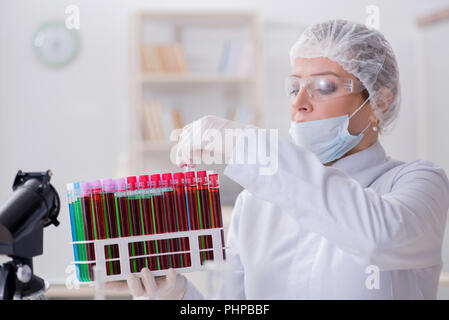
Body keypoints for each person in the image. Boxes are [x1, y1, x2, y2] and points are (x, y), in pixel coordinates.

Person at [112, 19, 449, 299]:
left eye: (324, 86)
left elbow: (378, 237)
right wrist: (180, 297)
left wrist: (244, 143)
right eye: (294, 87)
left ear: (380, 101)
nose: (300, 102)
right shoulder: (256, 204)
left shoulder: (419, 184)